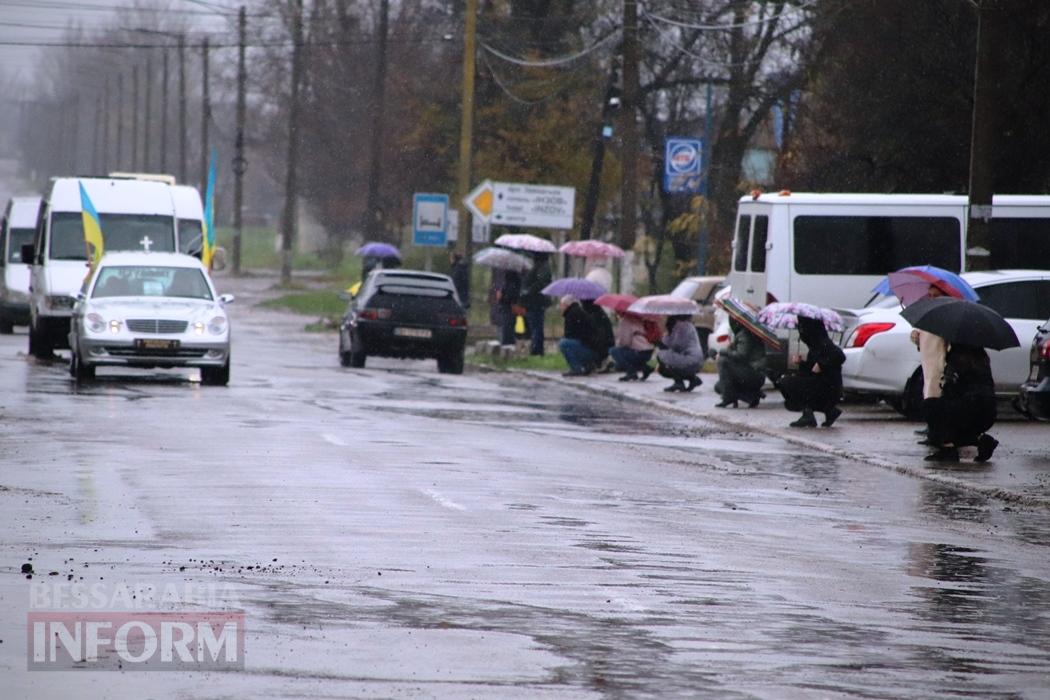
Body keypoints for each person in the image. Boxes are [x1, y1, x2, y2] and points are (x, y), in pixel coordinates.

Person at [923, 344, 998, 462]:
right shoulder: (982, 358)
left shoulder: (957, 358)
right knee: (957, 420)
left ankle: (947, 449)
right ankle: (982, 441)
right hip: (988, 413)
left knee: (930, 406)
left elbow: (950, 391)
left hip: (968, 410)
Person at [779, 315, 845, 427]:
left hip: (830, 388)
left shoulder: (823, 343)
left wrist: (822, 365)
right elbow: (811, 370)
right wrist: (802, 363)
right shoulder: (815, 345)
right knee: (789, 381)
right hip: (824, 386)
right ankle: (829, 411)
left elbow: (840, 356)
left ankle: (808, 414)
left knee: (788, 383)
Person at [714, 317, 767, 407]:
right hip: (752, 372)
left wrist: (724, 352)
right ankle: (751, 396)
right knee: (719, 386)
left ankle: (728, 397)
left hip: (754, 372)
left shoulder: (745, 334)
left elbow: (741, 356)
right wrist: (731, 348)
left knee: (723, 361)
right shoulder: (744, 333)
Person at [655, 314, 704, 392]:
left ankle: (679, 383)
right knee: (666, 356)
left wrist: (663, 343)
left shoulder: (681, 326)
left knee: (661, 355)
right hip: (696, 360)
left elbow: (677, 345)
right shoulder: (687, 325)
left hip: (689, 359)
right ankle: (692, 379)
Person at [558, 295, 600, 376]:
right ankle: (587, 365)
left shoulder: (572, 314)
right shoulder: (577, 311)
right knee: (567, 342)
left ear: (566, 305)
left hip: (591, 350)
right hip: (593, 348)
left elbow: (570, 335)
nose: (560, 307)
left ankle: (576, 368)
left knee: (564, 343)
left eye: (561, 305)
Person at [520, 253, 552, 355]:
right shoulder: (540, 268)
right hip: (535, 301)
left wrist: (528, 290)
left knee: (536, 326)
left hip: (535, 301)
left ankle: (536, 349)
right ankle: (537, 348)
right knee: (536, 326)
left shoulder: (542, 269)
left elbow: (539, 284)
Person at [609, 312, 655, 381]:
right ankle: (645, 368)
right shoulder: (638, 318)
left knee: (614, 351)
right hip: (648, 352)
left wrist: (618, 344)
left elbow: (625, 342)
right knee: (628, 357)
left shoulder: (625, 321)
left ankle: (631, 372)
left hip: (638, 352)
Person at [581, 298, 615, 370]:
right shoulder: (601, 313)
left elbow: (594, 336)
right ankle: (605, 361)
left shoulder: (590, 315)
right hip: (607, 345)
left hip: (599, 347)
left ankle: (597, 362)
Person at [496, 269, 521, 346]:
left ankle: (507, 345)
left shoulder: (509, 284)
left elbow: (508, 297)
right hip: (511, 309)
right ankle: (510, 344)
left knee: (507, 329)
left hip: (507, 309)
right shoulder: (516, 282)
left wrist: (501, 296)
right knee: (509, 328)